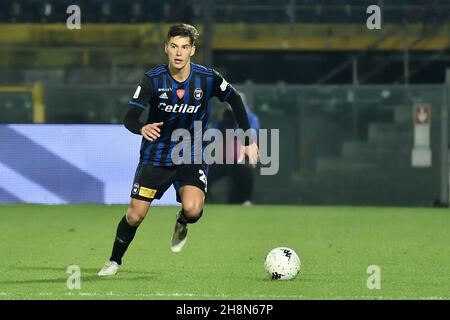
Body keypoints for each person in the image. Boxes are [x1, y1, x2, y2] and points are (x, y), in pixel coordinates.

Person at [98, 23, 260, 276]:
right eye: (174, 46)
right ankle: (114, 261)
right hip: (156, 156)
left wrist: (249, 141)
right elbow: (129, 117)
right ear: (166, 48)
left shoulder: (208, 78)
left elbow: (235, 99)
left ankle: (182, 221)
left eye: (184, 47)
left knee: (194, 210)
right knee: (135, 216)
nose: (178, 52)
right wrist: (141, 128)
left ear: (192, 51)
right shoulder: (153, 79)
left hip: (191, 155)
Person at [207, 93, 260, 204]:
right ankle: (202, 199)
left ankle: (247, 200)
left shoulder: (251, 117)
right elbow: (215, 135)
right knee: (207, 174)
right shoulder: (226, 115)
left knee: (246, 173)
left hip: (240, 158)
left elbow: (252, 132)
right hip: (224, 157)